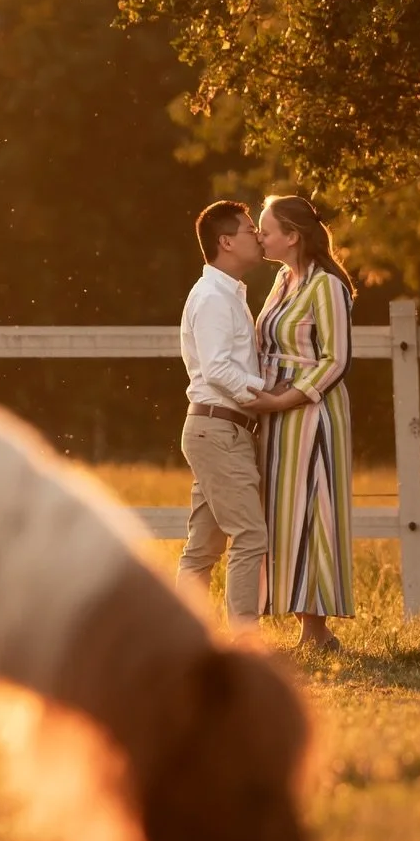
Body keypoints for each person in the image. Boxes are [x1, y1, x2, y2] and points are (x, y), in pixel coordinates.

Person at [246, 194, 356, 650]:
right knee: (282, 511)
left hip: (312, 412)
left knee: (314, 508)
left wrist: (286, 398)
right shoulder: (280, 280)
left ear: (292, 236)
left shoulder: (325, 286)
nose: (258, 235)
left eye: (266, 230)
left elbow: (335, 360)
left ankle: (316, 628)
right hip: (275, 411)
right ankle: (301, 623)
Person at [176, 200, 268, 630]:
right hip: (219, 429)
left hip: (216, 429)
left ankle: (177, 639)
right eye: (251, 230)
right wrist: (268, 395)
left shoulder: (225, 293)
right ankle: (246, 641)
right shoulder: (214, 297)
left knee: (203, 547)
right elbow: (216, 368)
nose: (259, 236)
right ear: (225, 242)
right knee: (250, 535)